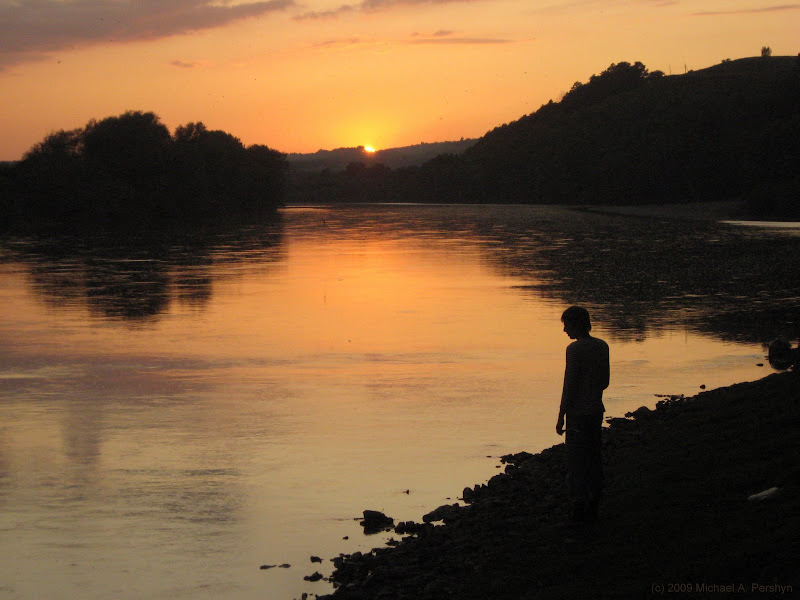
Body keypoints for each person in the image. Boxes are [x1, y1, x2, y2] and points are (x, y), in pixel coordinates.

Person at [556, 306, 609, 524]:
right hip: (596, 410)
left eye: (566, 325)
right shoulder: (602, 346)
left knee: (576, 461)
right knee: (593, 459)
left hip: (578, 414)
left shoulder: (574, 350)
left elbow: (569, 385)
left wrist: (561, 415)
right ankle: (593, 504)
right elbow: (605, 381)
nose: (565, 330)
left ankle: (578, 509)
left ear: (576, 324)